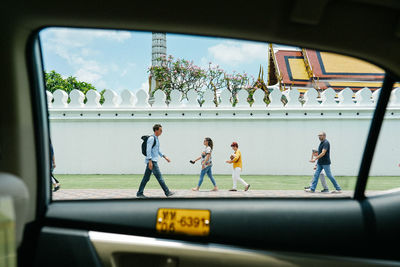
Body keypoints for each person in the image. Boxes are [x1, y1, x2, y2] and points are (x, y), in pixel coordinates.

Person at [137, 124, 175, 198]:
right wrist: (150, 161)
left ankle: (139, 193)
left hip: (152, 161)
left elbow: (157, 150)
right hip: (152, 162)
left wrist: (165, 157)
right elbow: (148, 150)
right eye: (160, 130)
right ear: (156, 130)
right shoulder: (151, 138)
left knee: (146, 178)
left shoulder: (156, 138)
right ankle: (167, 192)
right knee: (159, 177)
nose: (161, 132)